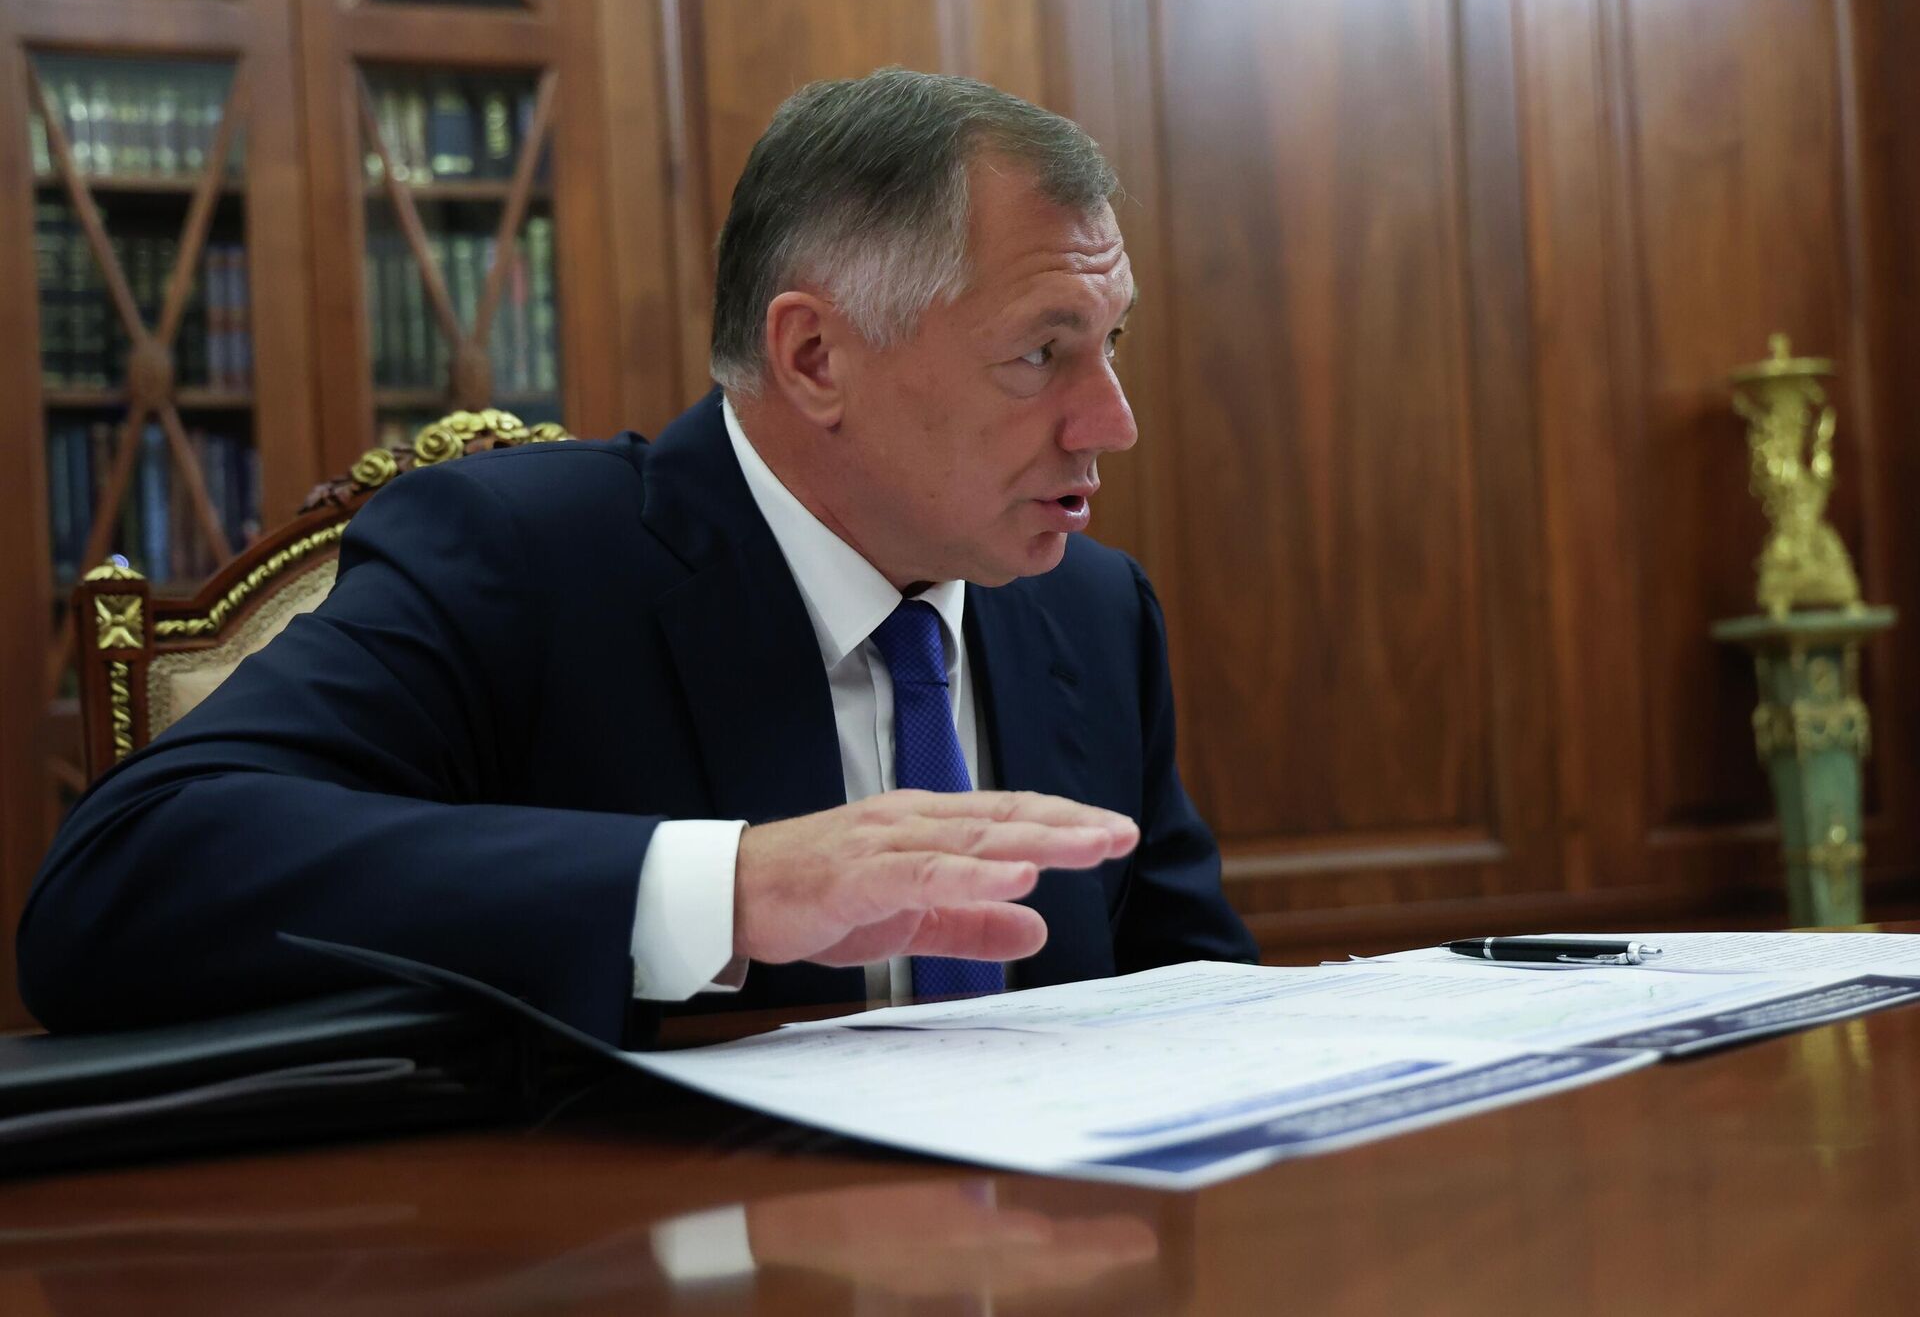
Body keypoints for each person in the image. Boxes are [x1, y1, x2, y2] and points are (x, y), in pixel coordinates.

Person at [17, 68, 1256, 1047]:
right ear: (815, 358)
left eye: (1112, 343)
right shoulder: (523, 559)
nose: (1113, 422)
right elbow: (120, 887)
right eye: (1042, 353)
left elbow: (1200, 1007)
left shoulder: (1091, 608)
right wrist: (724, 887)